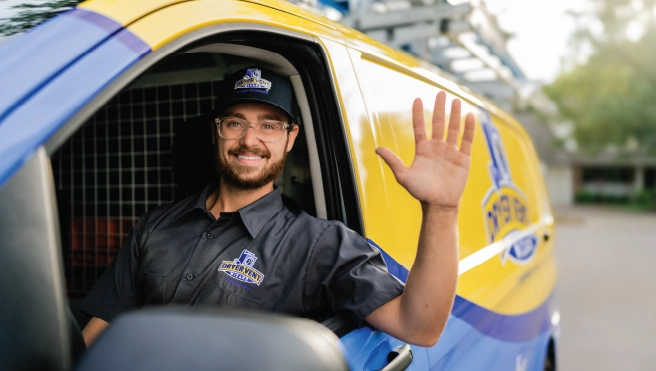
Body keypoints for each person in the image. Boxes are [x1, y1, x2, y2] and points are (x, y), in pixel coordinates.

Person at [79, 67, 475, 348]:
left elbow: (418, 327)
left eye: (269, 125)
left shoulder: (320, 243)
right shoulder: (156, 225)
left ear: (290, 138)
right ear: (216, 132)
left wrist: (441, 211)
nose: (249, 139)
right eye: (235, 123)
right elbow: (99, 330)